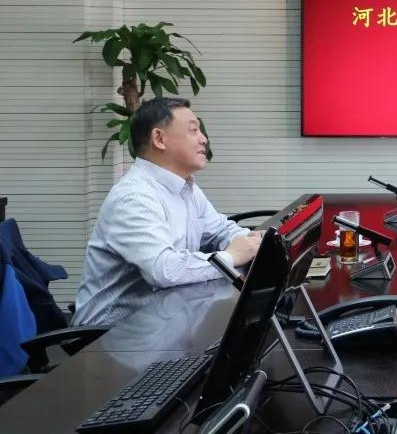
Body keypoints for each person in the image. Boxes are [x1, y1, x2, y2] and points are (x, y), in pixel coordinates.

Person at [73, 98, 262, 326]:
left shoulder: (185, 186)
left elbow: (219, 229)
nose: (204, 138)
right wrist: (230, 257)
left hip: (165, 319)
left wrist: (251, 242)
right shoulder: (134, 197)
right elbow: (163, 270)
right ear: (159, 139)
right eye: (193, 130)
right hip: (111, 336)